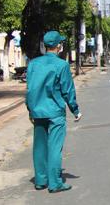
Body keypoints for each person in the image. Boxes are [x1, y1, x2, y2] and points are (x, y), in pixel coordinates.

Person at [26, 31, 82, 193]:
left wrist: (30, 109)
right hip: (55, 111)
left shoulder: (33, 64)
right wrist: (75, 110)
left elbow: (29, 90)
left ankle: (40, 180)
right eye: (61, 44)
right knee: (55, 147)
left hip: (37, 110)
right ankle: (55, 183)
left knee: (39, 146)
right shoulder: (62, 65)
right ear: (58, 46)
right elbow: (67, 90)